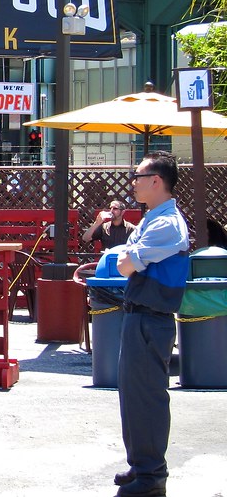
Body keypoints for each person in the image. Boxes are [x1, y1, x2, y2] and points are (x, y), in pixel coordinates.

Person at [113, 151, 190, 497]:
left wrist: (129, 257)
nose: (133, 183)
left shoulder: (166, 223)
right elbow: (125, 257)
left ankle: (152, 475)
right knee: (133, 395)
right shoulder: (153, 219)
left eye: (138, 176)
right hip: (140, 314)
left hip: (151, 317)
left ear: (156, 181)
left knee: (146, 396)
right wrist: (128, 257)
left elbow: (125, 264)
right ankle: (140, 465)